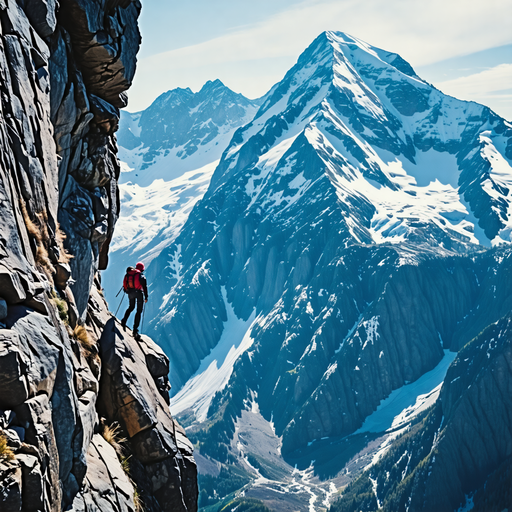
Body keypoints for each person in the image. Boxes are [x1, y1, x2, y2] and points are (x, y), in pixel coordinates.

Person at [121, 262, 148, 337]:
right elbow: (145, 287)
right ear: (142, 269)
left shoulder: (129, 274)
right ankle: (135, 331)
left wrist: (126, 290)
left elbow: (125, 284)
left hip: (130, 293)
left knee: (131, 307)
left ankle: (124, 320)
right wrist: (146, 297)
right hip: (139, 294)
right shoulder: (141, 276)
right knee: (138, 311)